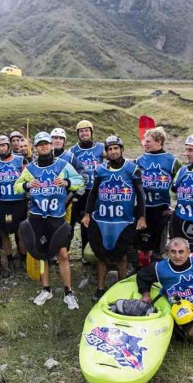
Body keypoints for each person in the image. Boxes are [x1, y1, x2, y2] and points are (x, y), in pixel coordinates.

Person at [15, 132, 84, 310]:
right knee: (41, 253)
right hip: (37, 217)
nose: (44, 147)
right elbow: (16, 187)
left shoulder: (62, 165)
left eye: (46, 144)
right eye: (40, 145)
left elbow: (80, 180)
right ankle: (46, 289)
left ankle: (68, 292)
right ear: (36, 148)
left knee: (62, 255)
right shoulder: (30, 168)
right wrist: (27, 185)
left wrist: (67, 182)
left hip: (56, 217)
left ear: (51, 146)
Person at [81, 136, 147, 302]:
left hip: (124, 220)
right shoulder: (101, 169)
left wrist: (142, 217)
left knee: (122, 255)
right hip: (103, 219)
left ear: (122, 149)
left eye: (116, 148)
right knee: (102, 255)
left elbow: (140, 194)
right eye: (110, 149)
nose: (113, 152)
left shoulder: (132, 168)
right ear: (106, 151)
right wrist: (88, 213)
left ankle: (121, 288)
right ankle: (100, 289)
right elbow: (93, 192)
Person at [135, 127, 182, 264]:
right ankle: (139, 269)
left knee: (158, 246)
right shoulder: (139, 160)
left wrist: (177, 207)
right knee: (140, 242)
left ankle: (157, 270)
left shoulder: (172, 161)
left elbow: (183, 185)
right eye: (144, 141)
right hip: (143, 208)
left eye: (148, 141)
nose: (145, 144)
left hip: (162, 209)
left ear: (159, 141)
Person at [68, 120, 105, 259]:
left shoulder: (101, 148)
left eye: (86, 130)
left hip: (96, 191)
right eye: (81, 131)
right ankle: (78, 252)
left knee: (94, 222)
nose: (84, 133)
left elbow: (115, 157)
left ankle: (94, 252)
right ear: (78, 134)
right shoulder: (73, 150)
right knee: (78, 221)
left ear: (91, 132)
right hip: (80, 191)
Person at [0, 135, 28, 272]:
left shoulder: (20, 159)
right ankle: (9, 258)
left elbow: (28, 177)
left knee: (21, 231)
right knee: (4, 232)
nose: (1, 148)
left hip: (19, 202)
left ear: (8, 146)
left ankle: (23, 257)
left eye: (3, 145)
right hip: (2, 203)